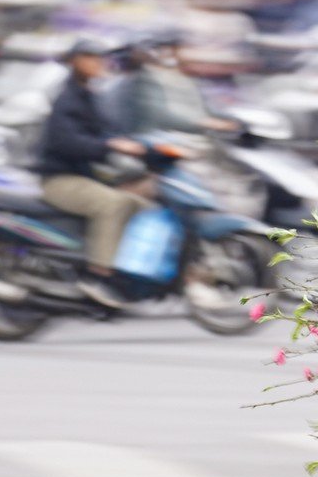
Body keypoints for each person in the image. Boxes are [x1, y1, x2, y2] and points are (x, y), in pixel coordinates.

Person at [36, 39, 151, 310]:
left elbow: (112, 131)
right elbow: (67, 142)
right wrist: (108, 146)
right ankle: (98, 275)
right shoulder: (66, 98)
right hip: (60, 180)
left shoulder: (92, 96)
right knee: (113, 204)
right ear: (76, 61)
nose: (98, 64)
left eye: (100, 58)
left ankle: (126, 274)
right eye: (91, 58)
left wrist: (143, 146)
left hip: (87, 177)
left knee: (143, 206)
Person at [120, 32, 235, 136]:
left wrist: (232, 120)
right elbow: (161, 114)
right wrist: (204, 122)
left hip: (196, 133)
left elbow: (205, 108)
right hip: (162, 135)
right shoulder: (144, 79)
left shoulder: (185, 77)